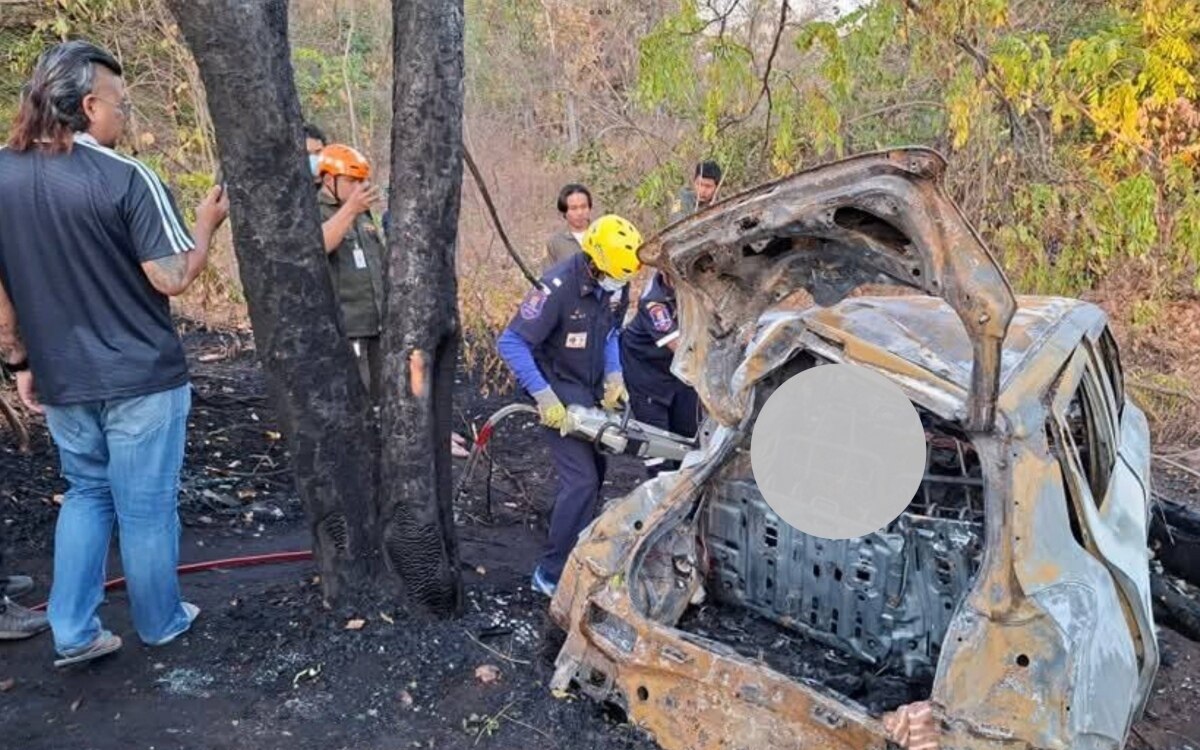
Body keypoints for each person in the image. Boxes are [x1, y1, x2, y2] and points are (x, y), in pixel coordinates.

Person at [0, 40, 229, 666]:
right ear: (90, 104)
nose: (126, 116)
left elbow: (2, 297)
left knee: (85, 493)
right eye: (122, 104)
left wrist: (19, 364)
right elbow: (172, 278)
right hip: (141, 376)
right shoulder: (129, 177)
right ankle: (161, 621)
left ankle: (73, 630)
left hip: (61, 376)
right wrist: (206, 225)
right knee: (146, 507)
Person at [497, 215, 642, 597]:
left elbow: (611, 332)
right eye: (612, 275)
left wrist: (614, 376)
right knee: (581, 480)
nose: (618, 284)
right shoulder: (557, 287)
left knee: (598, 467)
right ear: (593, 261)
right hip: (555, 386)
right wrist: (544, 397)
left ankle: (578, 549)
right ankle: (550, 571)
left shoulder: (615, 283)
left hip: (588, 386)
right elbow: (511, 342)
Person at [316, 144, 386, 401]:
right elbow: (319, 246)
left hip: (377, 323)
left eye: (362, 181)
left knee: (381, 395)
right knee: (357, 396)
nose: (360, 187)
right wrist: (350, 210)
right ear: (328, 179)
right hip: (347, 327)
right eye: (352, 181)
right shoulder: (317, 211)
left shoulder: (363, 215)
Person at [620, 270, 699, 475]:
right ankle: (661, 492)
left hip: (678, 371)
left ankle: (686, 484)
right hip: (647, 372)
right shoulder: (654, 302)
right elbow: (678, 346)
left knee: (688, 432)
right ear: (666, 274)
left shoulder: (695, 290)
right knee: (657, 441)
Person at [543, 183, 593, 271]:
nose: (580, 213)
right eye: (574, 208)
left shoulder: (604, 235)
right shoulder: (555, 243)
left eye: (584, 207)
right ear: (564, 212)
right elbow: (548, 277)